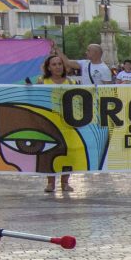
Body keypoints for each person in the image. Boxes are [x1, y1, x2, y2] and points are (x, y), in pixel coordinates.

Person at [37, 51, 79, 196]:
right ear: (48, 67)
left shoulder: (72, 83)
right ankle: (50, 182)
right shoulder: (42, 82)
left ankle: (65, 182)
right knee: (50, 152)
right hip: (49, 123)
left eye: (60, 64)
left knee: (68, 152)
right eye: (54, 64)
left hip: (68, 124)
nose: (57, 67)